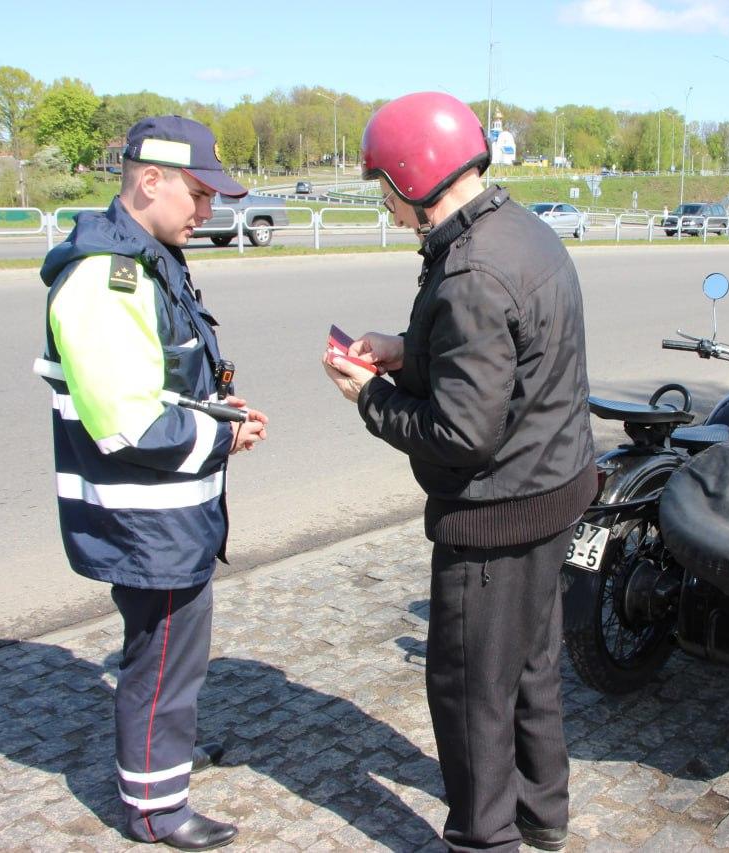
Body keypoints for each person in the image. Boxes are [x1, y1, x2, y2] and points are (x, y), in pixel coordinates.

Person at [322, 92, 595, 852]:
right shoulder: (522, 230)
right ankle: (543, 815)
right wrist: (407, 349)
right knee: (532, 664)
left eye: (384, 185)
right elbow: (510, 359)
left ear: (413, 175)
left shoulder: (470, 271)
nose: (385, 202)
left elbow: (459, 432)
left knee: (471, 686)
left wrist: (370, 395)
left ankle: (484, 837)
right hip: (554, 487)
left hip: (498, 513)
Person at [35, 116, 268, 850]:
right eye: (198, 195)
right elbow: (127, 426)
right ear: (150, 181)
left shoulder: (149, 256)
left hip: (167, 512)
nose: (208, 212)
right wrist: (223, 434)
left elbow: (163, 382)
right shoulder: (109, 277)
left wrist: (217, 410)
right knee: (163, 664)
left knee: (170, 659)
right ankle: (154, 808)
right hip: (146, 520)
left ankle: (159, 763)